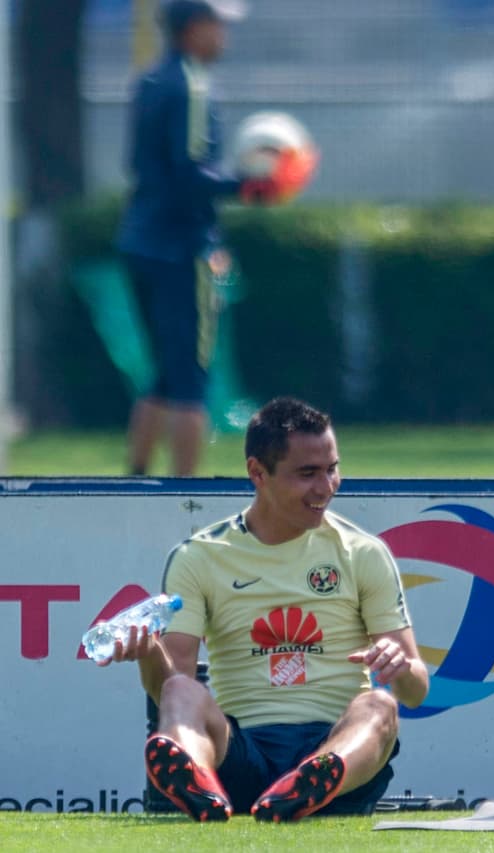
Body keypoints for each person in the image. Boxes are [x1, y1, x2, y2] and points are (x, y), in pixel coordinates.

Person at [98, 396, 430, 821]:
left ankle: (313, 780)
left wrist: (399, 666)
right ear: (258, 472)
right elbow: (171, 685)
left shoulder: (363, 553)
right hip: (244, 753)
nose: (326, 487)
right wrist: (148, 652)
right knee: (182, 691)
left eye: (332, 469)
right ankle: (197, 780)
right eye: (307, 474)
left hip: (337, 745)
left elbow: (416, 691)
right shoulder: (200, 556)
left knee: (380, 707)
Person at [117, 0, 286, 476]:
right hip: (180, 247)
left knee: (164, 373)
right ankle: (183, 496)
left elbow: (143, 166)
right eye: (218, 26)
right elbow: (191, 173)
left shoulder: (150, 81)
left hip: (140, 238)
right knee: (191, 378)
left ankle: (135, 479)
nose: (223, 37)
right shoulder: (190, 84)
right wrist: (252, 185)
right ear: (193, 29)